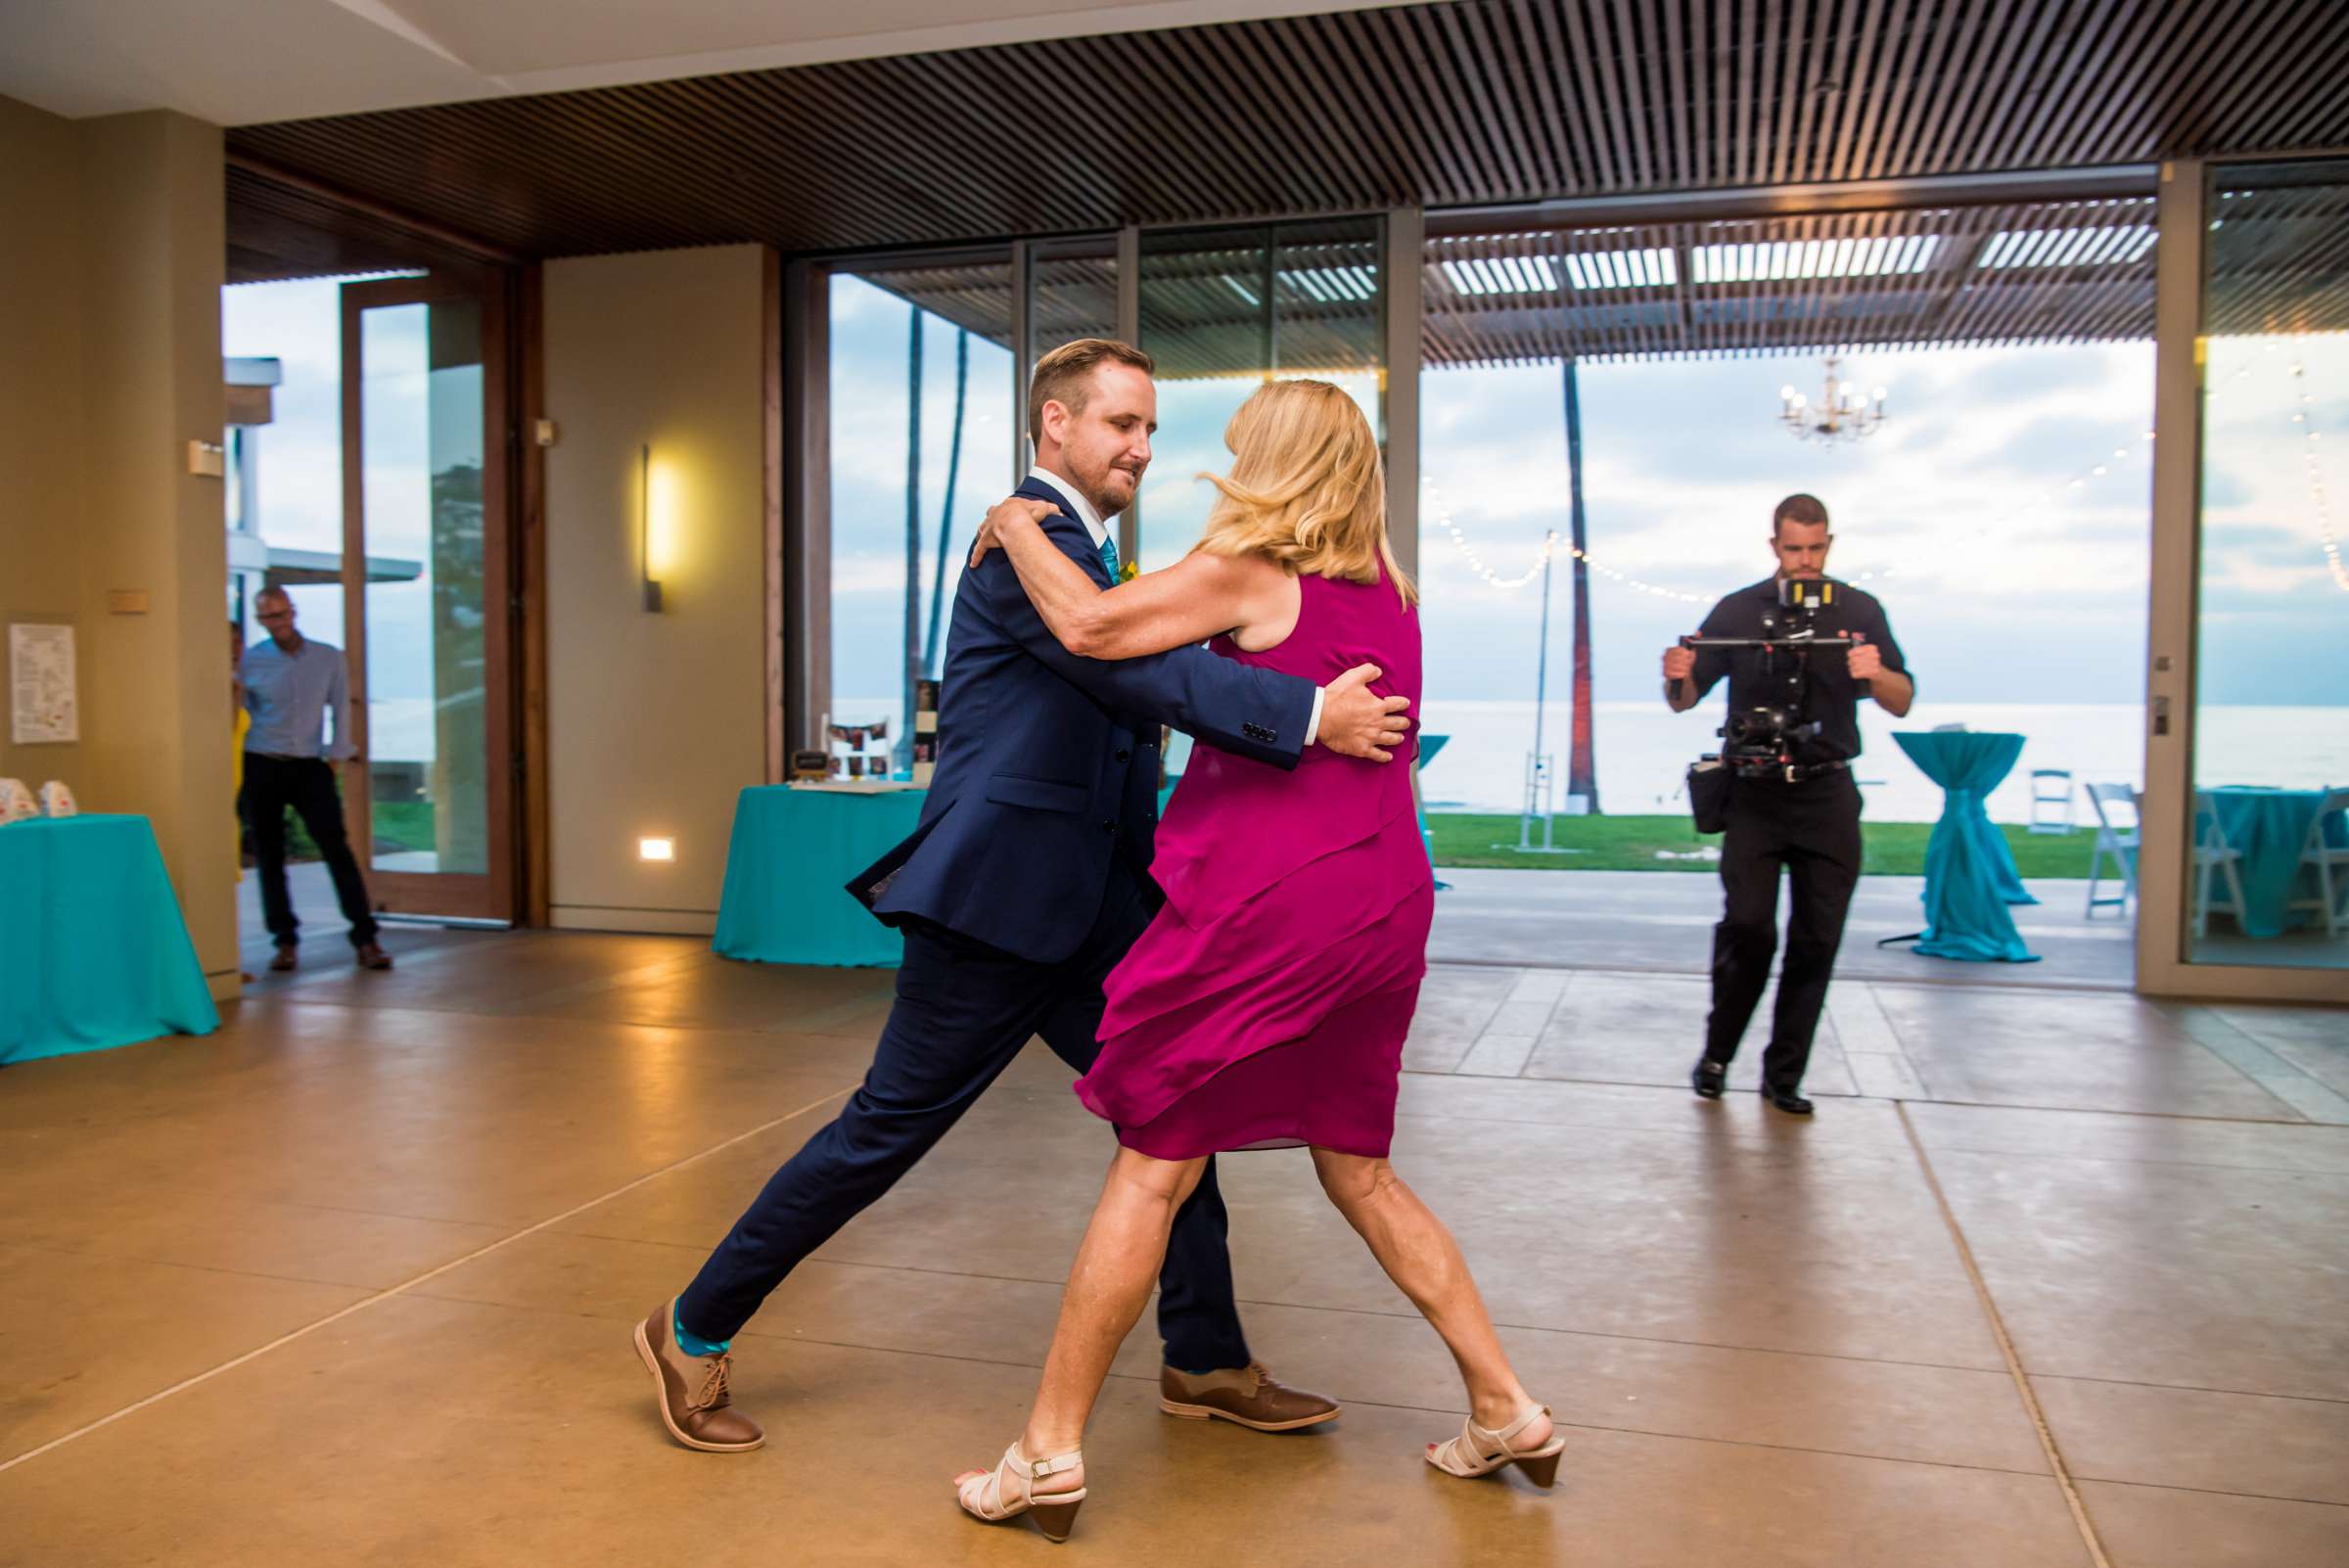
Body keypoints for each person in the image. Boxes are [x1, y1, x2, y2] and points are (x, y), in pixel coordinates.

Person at [632, 340, 1412, 1455]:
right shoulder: (1024, 549)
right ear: (1056, 425)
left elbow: (1139, 655)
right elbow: (1132, 668)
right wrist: (1304, 718)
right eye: (1119, 426)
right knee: (883, 1135)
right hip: (998, 908)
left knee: (1170, 1119)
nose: (1141, 448)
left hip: (1096, 908)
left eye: (1149, 429)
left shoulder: (1073, 550)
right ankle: (692, 1328)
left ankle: (1206, 1360)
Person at [947, 380, 1562, 1544]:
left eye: (1236, 447)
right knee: (1361, 1169)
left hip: (1269, 913)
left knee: (1151, 1166)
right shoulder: (1387, 583)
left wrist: (1021, 522)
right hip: (1384, 905)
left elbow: (1090, 629)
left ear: (1270, 461)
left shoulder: (1252, 570)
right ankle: (1506, 1406)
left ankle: (1046, 1454)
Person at [1661, 493, 1913, 1115]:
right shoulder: (1739, 608)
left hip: (1828, 794)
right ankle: (1717, 1053)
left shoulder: (1858, 609)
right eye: (1794, 548)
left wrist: (1874, 672)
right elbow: (1685, 698)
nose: (1805, 559)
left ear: (1829, 543)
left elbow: (1902, 698)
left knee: (1816, 940)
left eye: (1816, 547)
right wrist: (1676, 672)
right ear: (1774, 545)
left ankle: (1784, 1076)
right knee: (1748, 927)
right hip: (1755, 794)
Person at [239, 587, 392, 973]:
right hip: (262, 763)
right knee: (270, 856)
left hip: (310, 767)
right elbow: (241, 714)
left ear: (294, 612)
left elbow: (342, 709)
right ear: (260, 621)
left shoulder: (328, 658)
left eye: (283, 614)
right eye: (269, 617)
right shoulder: (252, 661)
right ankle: (285, 941)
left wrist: (334, 762)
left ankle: (365, 938)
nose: (279, 623)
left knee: (336, 850)